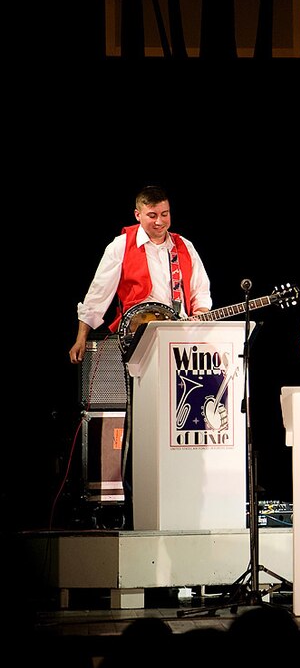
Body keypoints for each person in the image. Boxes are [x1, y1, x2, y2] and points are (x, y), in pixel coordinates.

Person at [69, 186, 213, 528]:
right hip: (139, 341)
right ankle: (137, 503)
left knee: (182, 417)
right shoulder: (121, 246)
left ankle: (185, 496)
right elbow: (98, 294)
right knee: (143, 421)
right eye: (152, 216)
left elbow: (200, 290)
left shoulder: (183, 247)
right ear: (138, 215)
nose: (159, 222)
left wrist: (202, 312)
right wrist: (80, 338)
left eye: (164, 214)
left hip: (181, 343)